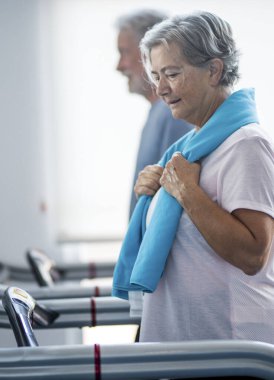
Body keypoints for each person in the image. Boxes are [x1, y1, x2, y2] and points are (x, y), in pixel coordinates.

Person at [113, 11, 274, 345]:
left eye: (172, 73)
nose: (160, 88)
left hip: (228, 345)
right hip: (190, 343)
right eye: (156, 75)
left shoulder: (246, 145)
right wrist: (157, 193)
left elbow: (253, 255)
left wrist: (186, 191)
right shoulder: (191, 148)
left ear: (213, 70)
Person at [115, 9, 193, 218]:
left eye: (124, 52)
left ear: (148, 54)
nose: (119, 66)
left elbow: (176, 201)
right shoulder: (158, 113)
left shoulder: (171, 114)